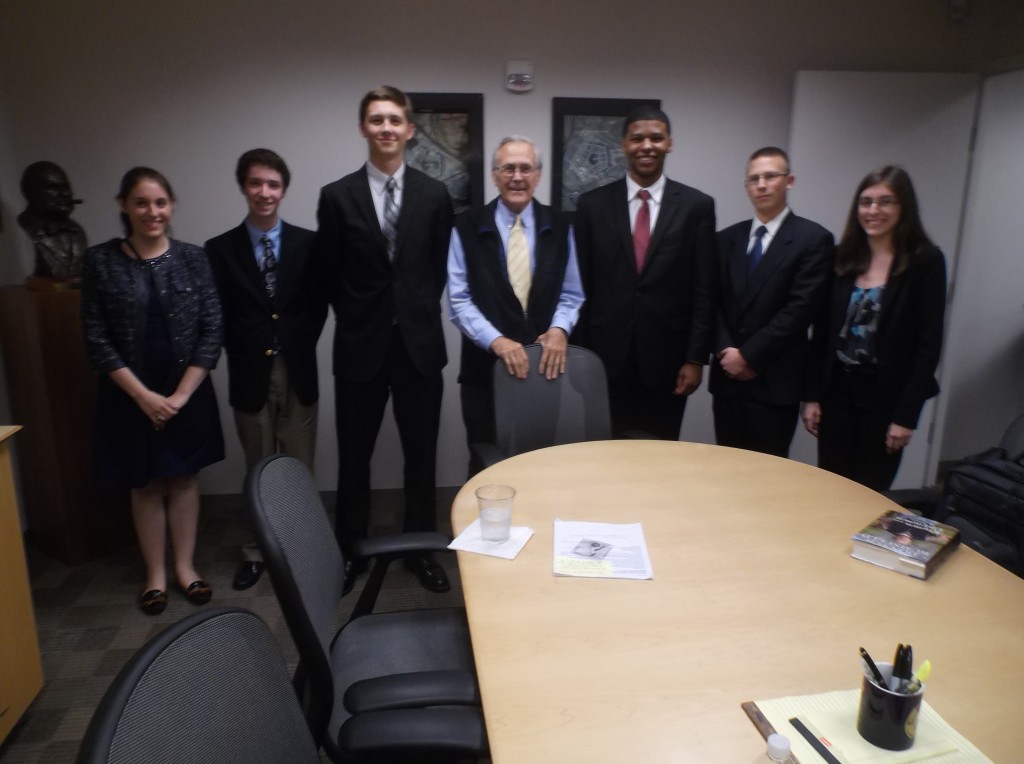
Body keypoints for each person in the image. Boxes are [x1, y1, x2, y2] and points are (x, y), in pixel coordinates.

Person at [315, 86, 454, 593]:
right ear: (363, 128)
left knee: (422, 457)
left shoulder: (435, 195)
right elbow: (328, 272)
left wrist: (411, 309)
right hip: (360, 346)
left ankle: (420, 551)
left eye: (395, 120)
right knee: (355, 458)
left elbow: (439, 267)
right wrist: (360, 315)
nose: (387, 128)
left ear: (410, 129)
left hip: (418, 346)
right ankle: (351, 552)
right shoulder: (337, 196)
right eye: (376, 120)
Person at [80, 167, 224, 615]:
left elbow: (211, 328)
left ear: (172, 205)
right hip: (129, 396)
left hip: (187, 391)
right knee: (143, 484)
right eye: (141, 202)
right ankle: (155, 575)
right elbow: (96, 337)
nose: (152, 212)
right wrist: (143, 397)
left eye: (160, 202)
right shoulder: (100, 261)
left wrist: (179, 397)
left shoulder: (193, 258)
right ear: (124, 205)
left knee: (183, 478)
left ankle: (186, 568)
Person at [206, 148, 327, 591]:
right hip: (249, 374)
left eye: (273, 184)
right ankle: (257, 552)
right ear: (243, 187)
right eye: (256, 183)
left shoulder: (308, 244)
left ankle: (300, 548)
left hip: (298, 370)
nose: (264, 192)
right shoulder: (219, 250)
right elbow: (217, 314)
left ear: (284, 190)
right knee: (257, 467)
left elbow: (317, 307)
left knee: (297, 467)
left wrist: (294, 343)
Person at [574, 106, 717, 439]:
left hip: (668, 362)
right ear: (623, 144)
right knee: (604, 451)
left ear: (670, 143)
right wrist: (580, 357)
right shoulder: (592, 206)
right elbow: (579, 285)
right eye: (637, 138)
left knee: (660, 455)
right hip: (604, 358)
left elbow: (704, 288)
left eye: (656, 137)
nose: (647, 145)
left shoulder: (697, 206)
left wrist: (695, 358)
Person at [802, 166, 946, 491]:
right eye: (866, 202)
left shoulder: (925, 261)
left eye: (885, 202)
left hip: (885, 400)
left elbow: (928, 344)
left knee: (870, 492)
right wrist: (811, 397)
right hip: (836, 391)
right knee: (832, 485)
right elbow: (822, 333)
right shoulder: (843, 257)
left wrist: (906, 416)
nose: (873, 211)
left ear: (903, 207)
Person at [447, 136, 584, 475]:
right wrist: (497, 341)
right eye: (508, 168)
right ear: (495, 175)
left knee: (537, 460)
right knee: (485, 462)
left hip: (542, 366)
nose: (517, 177)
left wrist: (559, 329)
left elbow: (572, 293)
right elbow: (458, 298)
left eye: (526, 168)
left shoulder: (561, 226)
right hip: (483, 371)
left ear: (538, 175)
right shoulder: (465, 226)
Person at [711, 147, 834, 457]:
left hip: (775, 382)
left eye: (770, 176)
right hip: (727, 381)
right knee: (724, 471)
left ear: (789, 181)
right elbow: (711, 302)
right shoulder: (726, 239)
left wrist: (748, 357)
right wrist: (726, 351)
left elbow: (799, 310)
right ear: (746, 187)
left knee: (767, 479)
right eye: (754, 179)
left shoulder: (813, 239)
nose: (762, 184)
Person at [16, 160, 87, 281]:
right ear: (32, 193)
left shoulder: (77, 230)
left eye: (66, 187)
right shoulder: (28, 226)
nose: (65, 194)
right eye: (54, 188)